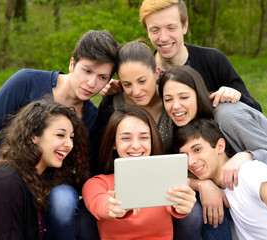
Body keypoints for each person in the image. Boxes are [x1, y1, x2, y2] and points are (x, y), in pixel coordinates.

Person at [0, 30, 121, 239]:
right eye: (86, 71)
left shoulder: (92, 118)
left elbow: (89, 171)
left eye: (102, 77)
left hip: (54, 189)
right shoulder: (26, 82)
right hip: (9, 179)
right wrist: (10, 176)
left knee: (64, 202)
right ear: (72, 64)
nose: (92, 83)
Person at [158, 65, 267, 239]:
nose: (176, 106)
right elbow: (172, 172)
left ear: (199, 94)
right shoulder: (175, 127)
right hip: (232, 191)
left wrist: (247, 155)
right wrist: (202, 184)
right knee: (210, 214)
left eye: (184, 97)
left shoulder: (228, 117)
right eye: (168, 99)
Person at [80, 39, 202, 240]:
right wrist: (112, 205)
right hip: (116, 181)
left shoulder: (173, 98)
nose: (135, 91)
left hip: (170, 179)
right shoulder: (112, 102)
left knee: (193, 211)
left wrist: (196, 189)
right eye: (127, 84)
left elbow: (198, 126)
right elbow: (99, 194)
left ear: (156, 74)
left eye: (142, 81)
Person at [101, 0, 261, 112]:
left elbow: (255, 110)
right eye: (155, 30)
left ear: (185, 26)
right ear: (147, 32)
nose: (163, 38)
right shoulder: (141, 70)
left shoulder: (213, 60)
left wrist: (236, 96)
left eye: (171, 28)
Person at [173, 118, 267, 240]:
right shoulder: (221, 186)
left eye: (197, 150)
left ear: (220, 146)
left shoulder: (250, 173)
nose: (190, 161)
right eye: (185, 156)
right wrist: (201, 184)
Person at [0, 98, 90, 239]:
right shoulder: (8, 184)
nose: (69, 144)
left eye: (71, 137)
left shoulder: (38, 175)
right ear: (33, 136)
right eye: (60, 135)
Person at [82, 105, 196, 240]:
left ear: (152, 141)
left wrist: (184, 205)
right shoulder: (98, 183)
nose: (136, 145)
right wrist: (112, 206)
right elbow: (98, 203)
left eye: (144, 138)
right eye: (126, 138)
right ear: (113, 143)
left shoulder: (167, 179)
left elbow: (180, 206)